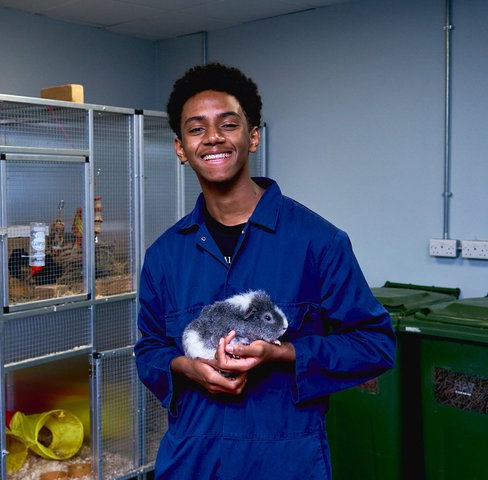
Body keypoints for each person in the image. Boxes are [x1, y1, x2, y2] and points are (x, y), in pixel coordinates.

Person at [134, 62, 395, 479]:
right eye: (196, 128)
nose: (213, 137)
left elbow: (375, 345)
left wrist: (284, 353)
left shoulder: (318, 242)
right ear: (181, 149)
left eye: (228, 124)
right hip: (191, 462)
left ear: (252, 136)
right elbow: (148, 350)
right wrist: (186, 368)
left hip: (284, 463)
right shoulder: (165, 256)